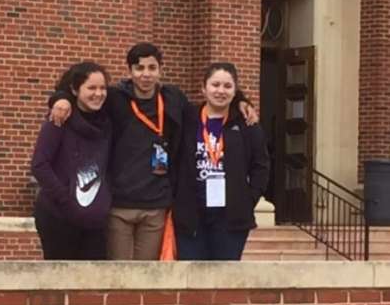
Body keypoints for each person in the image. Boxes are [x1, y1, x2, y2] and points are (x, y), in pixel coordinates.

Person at [49, 43, 258, 260]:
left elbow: (215, 99)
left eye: (152, 68)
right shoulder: (114, 98)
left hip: (156, 204)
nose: (146, 74)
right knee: (120, 273)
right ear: (129, 71)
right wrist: (60, 98)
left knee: (148, 275)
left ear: (160, 70)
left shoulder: (173, 98)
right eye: (139, 68)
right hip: (120, 203)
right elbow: (82, 91)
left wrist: (242, 101)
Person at [172, 62, 270, 260]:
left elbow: (261, 166)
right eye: (215, 85)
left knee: (225, 280)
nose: (220, 91)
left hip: (230, 218)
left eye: (227, 86)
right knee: (192, 278)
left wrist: (248, 198)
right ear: (203, 88)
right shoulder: (187, 119)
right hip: (191, 215)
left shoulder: (246, 124)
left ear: (235, 91)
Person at [31, 61, 112, 260]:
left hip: (94, 220)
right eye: (91, 88)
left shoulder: (108, 123)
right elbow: (39, 165)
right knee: (60, 282)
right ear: (75, 90)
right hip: (58, 216)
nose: (98, 93)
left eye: (103, 88)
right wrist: (65, 199)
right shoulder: (59, 120)